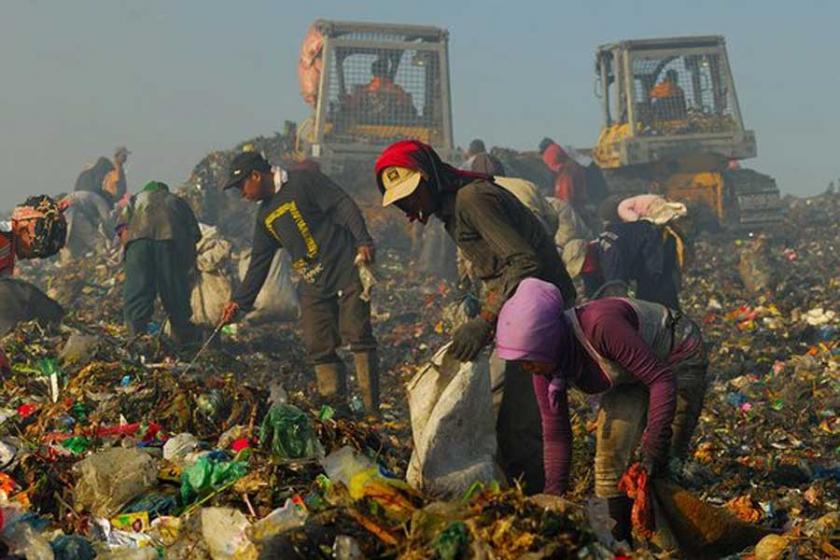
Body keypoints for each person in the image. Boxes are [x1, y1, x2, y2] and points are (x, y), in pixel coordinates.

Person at [374, 139, 576, 492]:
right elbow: (496, 268)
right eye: (401, 201)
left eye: (411, 193)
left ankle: (541, 499)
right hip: (518, 310)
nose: (409, 205)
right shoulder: (452, 210)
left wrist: (485, 319)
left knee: (521, 422)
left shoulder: (473, 200)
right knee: (496, 405)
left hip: (540, 314)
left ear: (429, 178)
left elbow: (525, 262)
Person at [495, 277, 708, 544]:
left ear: (548, 340)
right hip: (629, 376)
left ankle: (670, 548)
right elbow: (556, 435)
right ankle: (613, 545)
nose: (525, 367)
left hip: (676, 357)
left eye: (528, 359)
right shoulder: (544, 368)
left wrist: (654, 444)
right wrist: (553, 497)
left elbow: (662, 379)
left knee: (659, 470)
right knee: (608, 465)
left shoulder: (600, 326)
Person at [219, 152, 380, 414]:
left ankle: (372, 411)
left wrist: (363, 240)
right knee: (319, 343)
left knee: (357, 333)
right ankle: (336, 411)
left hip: (345, 266)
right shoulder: (265, 217)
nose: (242, 194)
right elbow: (259, 263)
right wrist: (239, 303)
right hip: (313, 280)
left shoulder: (304, 182)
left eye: (241, 186)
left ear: (256, 176)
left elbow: (342, 204)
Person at [117, 181, 201, 344]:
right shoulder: (175, 200)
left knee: (137, 290)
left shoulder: (134, 200)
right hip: (169, 243)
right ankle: (183, 339)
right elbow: (193, 235)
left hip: (137, 244)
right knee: (174, 290)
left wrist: (130, 254)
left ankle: (136, 339)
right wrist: (186, 264)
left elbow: (122, 229)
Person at [539, 138, 587, 212]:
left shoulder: (551, 152)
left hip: (566, 178)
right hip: (577, 198)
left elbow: (553, 168)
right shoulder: (557, 150)